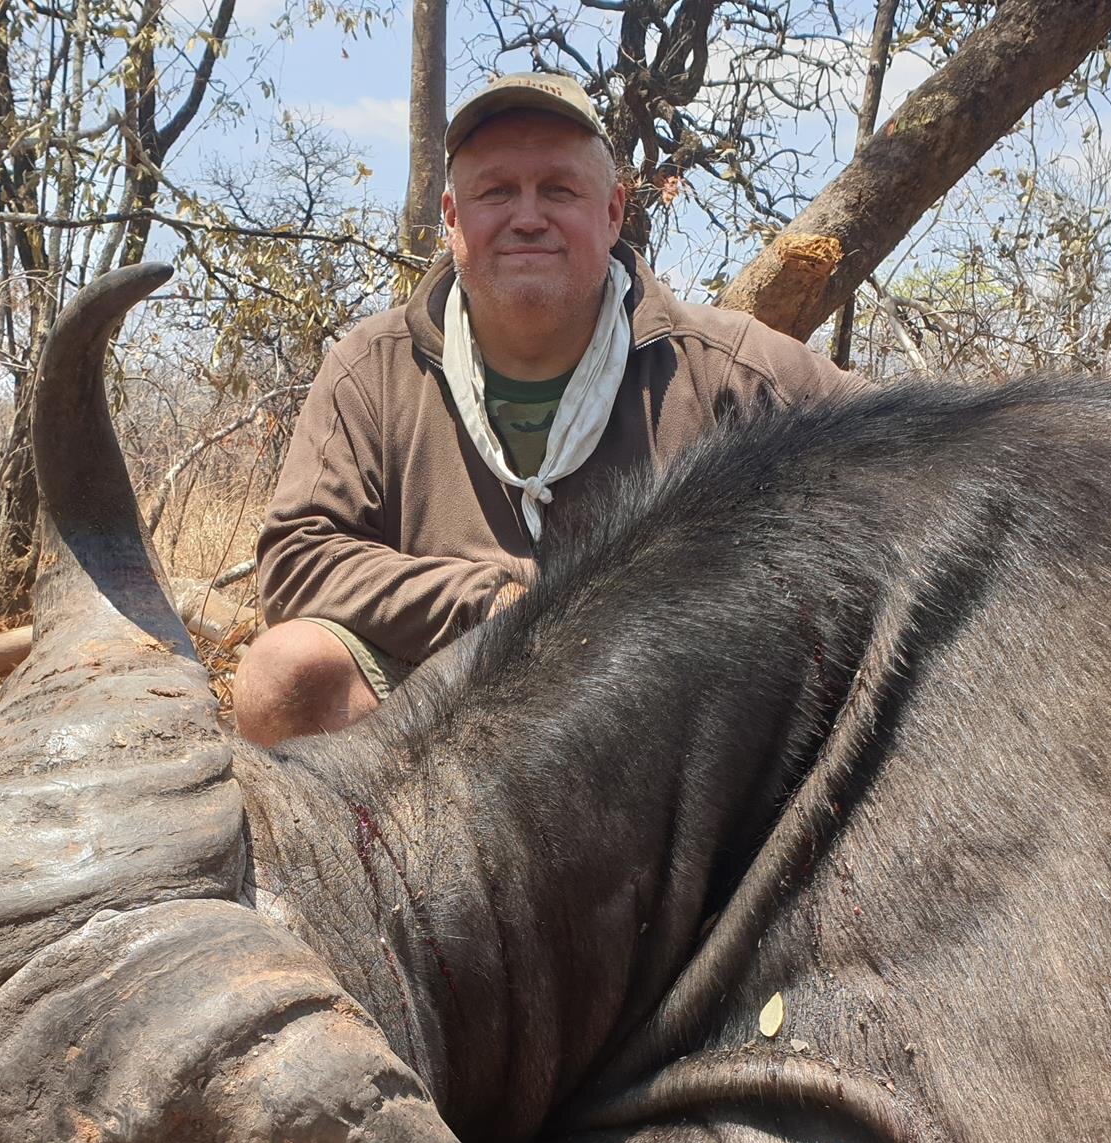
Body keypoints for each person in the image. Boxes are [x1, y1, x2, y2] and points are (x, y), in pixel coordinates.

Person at [235, 72, 858, 745]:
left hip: (673, 727)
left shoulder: (727, 365)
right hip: (436, 723)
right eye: (496, 191)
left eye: (558, 190)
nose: (527, 216)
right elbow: (298, 557)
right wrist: (494, 604)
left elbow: (914, 461)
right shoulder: (372, 367)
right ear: (451, 218)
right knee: (285, 672)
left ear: (613, 212)